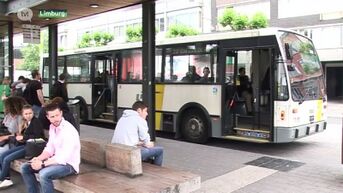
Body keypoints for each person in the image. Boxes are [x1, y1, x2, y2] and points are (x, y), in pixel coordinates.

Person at [21, 102, 80, 193]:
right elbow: (49, 148)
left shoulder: (68, 130)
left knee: (44, 174)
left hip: (68, 165)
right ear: (48, 117)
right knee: (25, 167)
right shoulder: (52, 127)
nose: (56, 118)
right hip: (55, 161)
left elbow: (64, 157)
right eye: (52, 117)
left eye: (57, 115)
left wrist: (43, 164)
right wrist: (38, 158)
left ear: (61, 113)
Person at [0, 104, 45, 189]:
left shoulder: (36, 122)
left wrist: (23, 137)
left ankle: (2, 179)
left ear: (33, 113)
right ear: (23, 114)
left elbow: (38, 136)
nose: (28, 115)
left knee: (7, 159)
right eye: (26, 114)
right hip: (25, 145)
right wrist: (19, 137)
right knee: (2, 156)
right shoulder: (26, 122)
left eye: (30, 113)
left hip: (32, 147)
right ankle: (7, 178)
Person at [111, 101, 163, 166]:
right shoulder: (139, 119)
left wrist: (139, 143)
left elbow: (127, 137)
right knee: (159, 150)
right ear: (139, 110)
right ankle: (157, 172)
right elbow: (146, 140)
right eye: (145, 111)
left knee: (143, 149)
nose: (147, 114)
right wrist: (149, 143)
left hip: (115, 151)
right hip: (129, 154)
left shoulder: (122, 118)